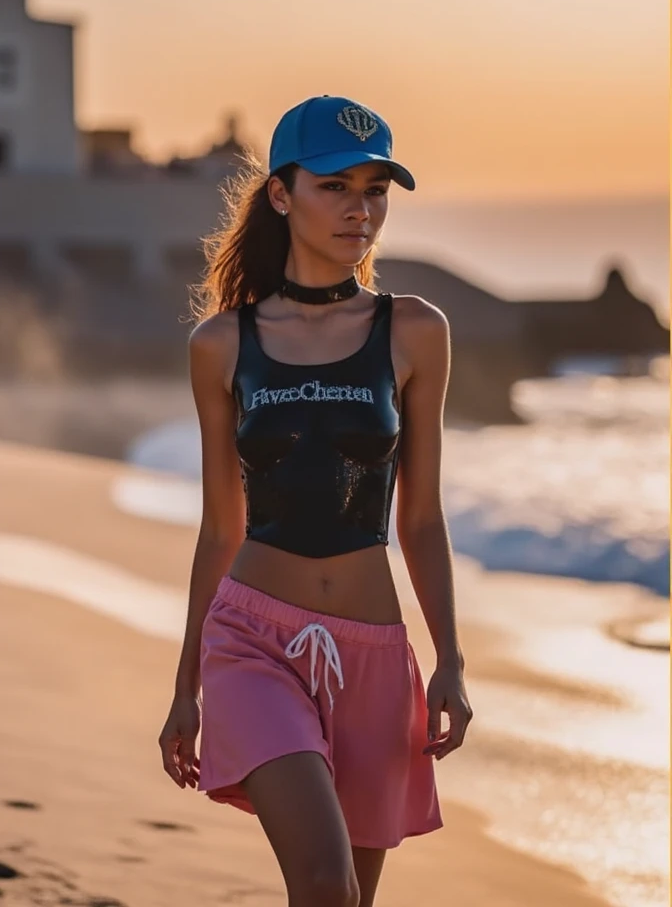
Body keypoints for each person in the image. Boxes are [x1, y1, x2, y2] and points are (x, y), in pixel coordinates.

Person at [158, 95, 473, 907]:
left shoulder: (415, 331)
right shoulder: (222, 344)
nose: (360, 209)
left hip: (374, 655)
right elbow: (220, 525)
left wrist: (450, 660)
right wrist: (187, 685)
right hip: (251, 642)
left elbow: (423, 517)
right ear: (281, 193)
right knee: (327, 887)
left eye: (376, 189)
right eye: (336, 186)